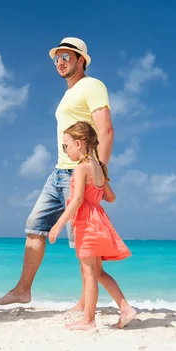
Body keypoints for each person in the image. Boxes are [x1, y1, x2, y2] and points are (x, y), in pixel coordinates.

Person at [0, 37, 116, 310]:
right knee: (35, 226)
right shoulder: (68, 94)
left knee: (83, 243)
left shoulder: (91, 86)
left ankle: (86, 302)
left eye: (66, 57)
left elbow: (106, 130)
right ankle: (23, 290)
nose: (59, 63)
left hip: (79, 172)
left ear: (80, 60)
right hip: (58, 171)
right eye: (56, 59)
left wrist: (100, 174)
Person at [49, 121, 136, 330]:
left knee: (89, 273)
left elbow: (78, 199)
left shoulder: (81, 169)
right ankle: (125, 308)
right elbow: (111, 197)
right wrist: (96, 191)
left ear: (79, 144)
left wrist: (59, 223)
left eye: (66, 146)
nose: (66, 150)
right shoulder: (99, 168)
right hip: (99, 220)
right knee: (98, 272)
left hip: (86, 223)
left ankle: (88, 320)